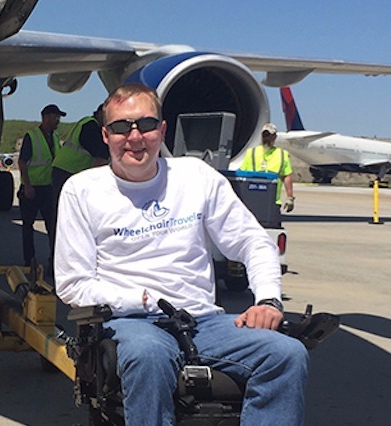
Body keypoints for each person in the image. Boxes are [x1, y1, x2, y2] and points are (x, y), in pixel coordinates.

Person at [56, 84, 307, 425]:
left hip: (204, 320)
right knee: (148, 356)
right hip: (132, 322)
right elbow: (73, 284)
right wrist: (138, 299)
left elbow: (252, 240)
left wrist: (268, 300)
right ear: (105, 135)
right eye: (120, 127)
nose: (134, 136)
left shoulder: (196, 177)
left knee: (286, 354)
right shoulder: (82, 190)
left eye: (145, 125)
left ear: (161, 130)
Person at [51, 103, 110, 234]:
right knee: (67, 216)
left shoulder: (86, 122)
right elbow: (101, 157)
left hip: (64, 170)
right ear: (101, 113)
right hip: (68, 172)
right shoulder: (91, 127)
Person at [18, 104, 65, 266]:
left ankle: (54, 260)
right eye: (55, 117)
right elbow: (22, 162)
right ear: (45, 117)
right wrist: (28, 185)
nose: (57, 120)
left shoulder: (56, 138)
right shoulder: (32, 136)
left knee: (52, 226)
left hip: (48, 189)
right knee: (28, 227)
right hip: (32, 188)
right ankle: (29, 259)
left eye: (58, 117)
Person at [239, 123, 296, 212]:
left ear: (275, 137)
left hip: (273, 202)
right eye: (265, 135)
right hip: (252, 200)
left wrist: (290, 197)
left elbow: (286, 176)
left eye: (269, 135)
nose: (267, 138)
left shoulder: (282, 155)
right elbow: (242, 176)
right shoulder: (251, 153)